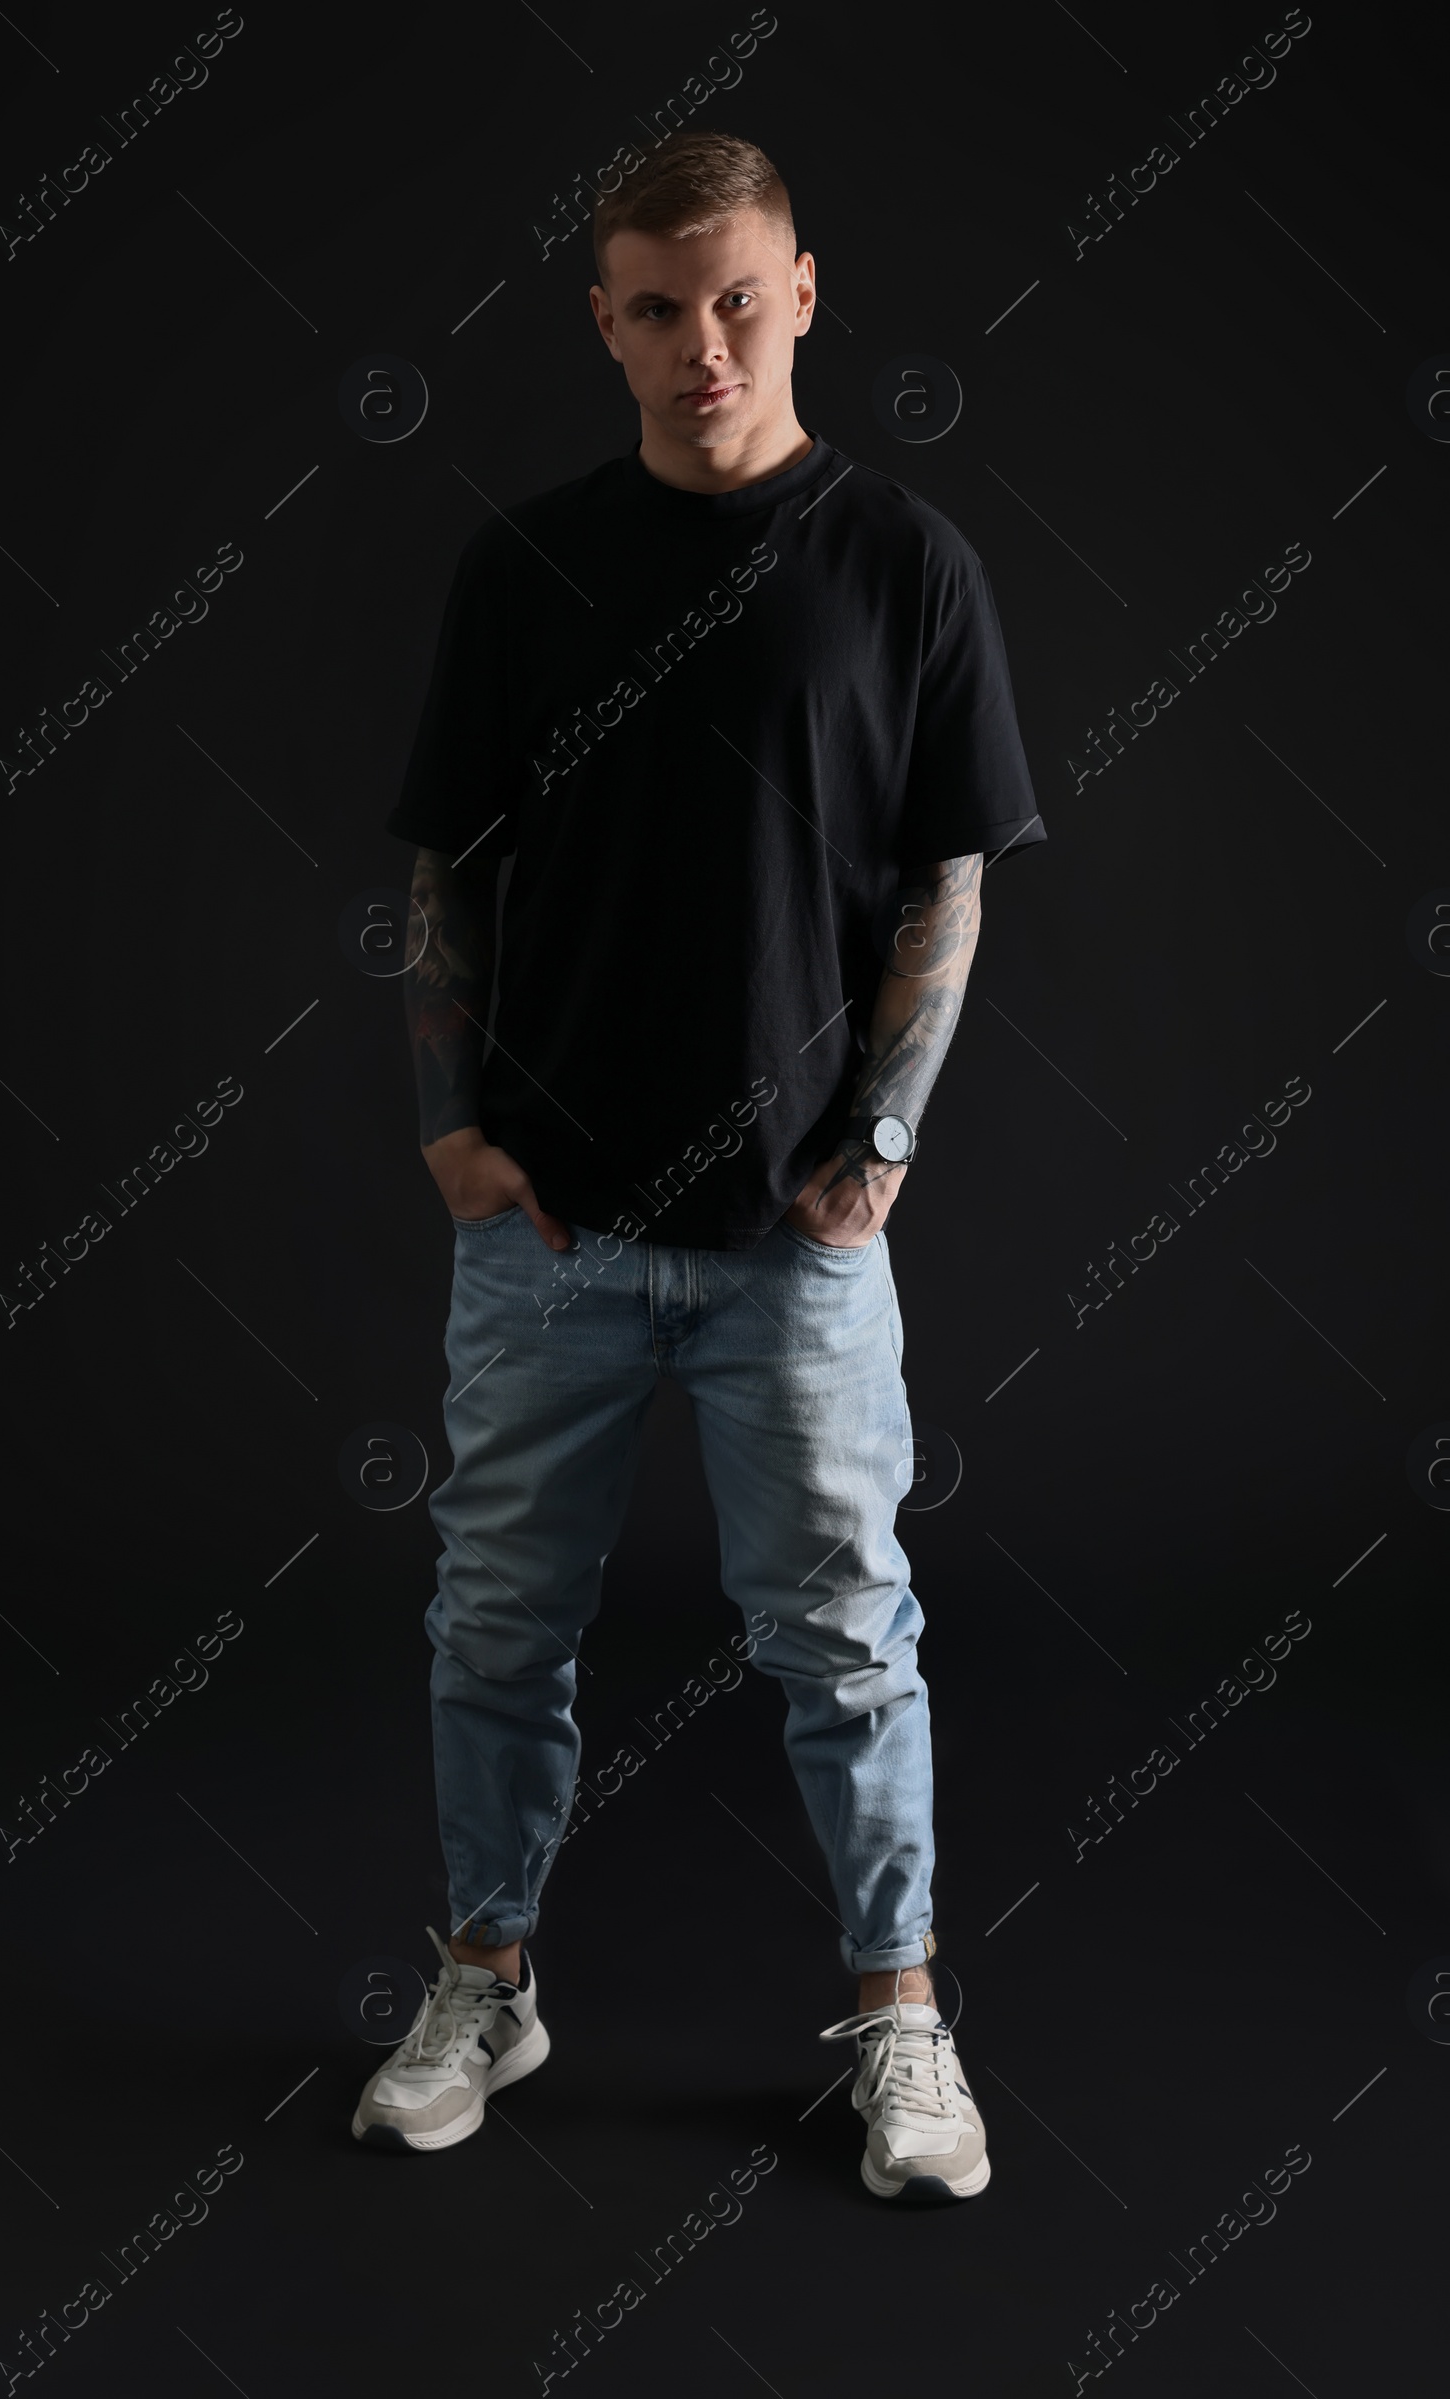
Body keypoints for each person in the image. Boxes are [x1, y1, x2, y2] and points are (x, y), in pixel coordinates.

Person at [352, 129, 1045, 2202]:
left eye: (734, 298)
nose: (699, 344)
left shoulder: (902, 562)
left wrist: (882, 1139)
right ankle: (486, 1977)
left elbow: (943, 875)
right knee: (492, 1627)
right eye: (654, 307)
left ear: (803, 292)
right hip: (546, 1229)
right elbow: (445, 867)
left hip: (792, 1241)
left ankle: (899, 2022)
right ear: (604, 322)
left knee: (845, 1639)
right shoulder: (524, 569)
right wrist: (451, 1132)